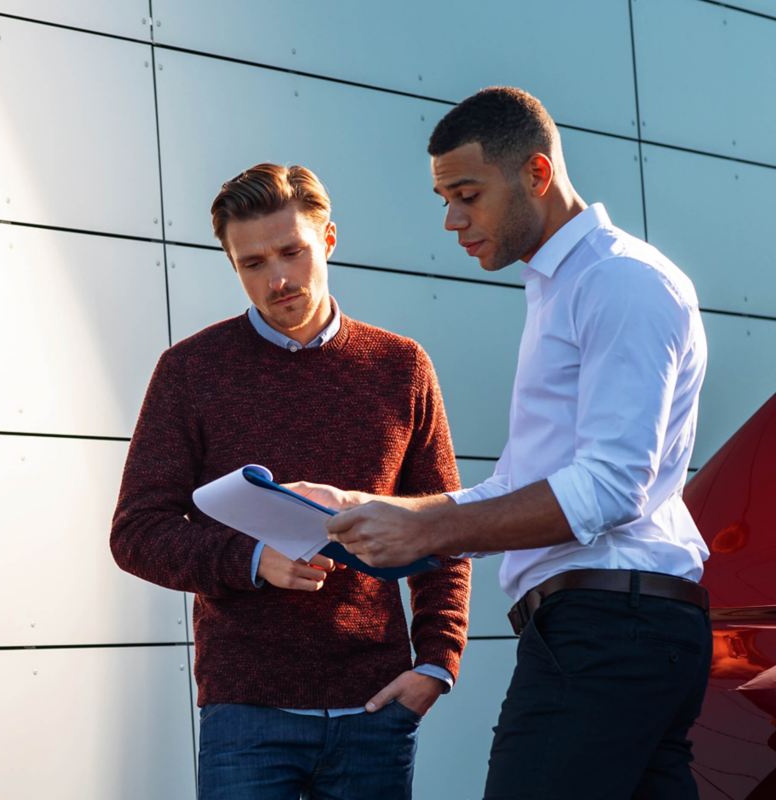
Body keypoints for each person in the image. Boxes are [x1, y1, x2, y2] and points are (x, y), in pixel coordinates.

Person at [294, 88, 713, 799]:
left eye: (467, 194)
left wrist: (432, 526)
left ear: (537, 176)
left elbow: (612, 488)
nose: (452, 220)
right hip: (619, 630)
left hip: (608, 632)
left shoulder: (617, 283)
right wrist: (384, 510)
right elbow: (521, 487)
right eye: (443, 198)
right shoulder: (563, 287)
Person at [110, 162, 471, 800]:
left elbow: (442, 528)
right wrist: (252, 560)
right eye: (252, 264)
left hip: (375, 708)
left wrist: (437, 663)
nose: (276, 279)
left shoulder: (401, 367)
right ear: (232, 265)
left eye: (291, 252)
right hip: (246, 709)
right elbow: (137, 532)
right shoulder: (191, 371)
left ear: (328, 240)